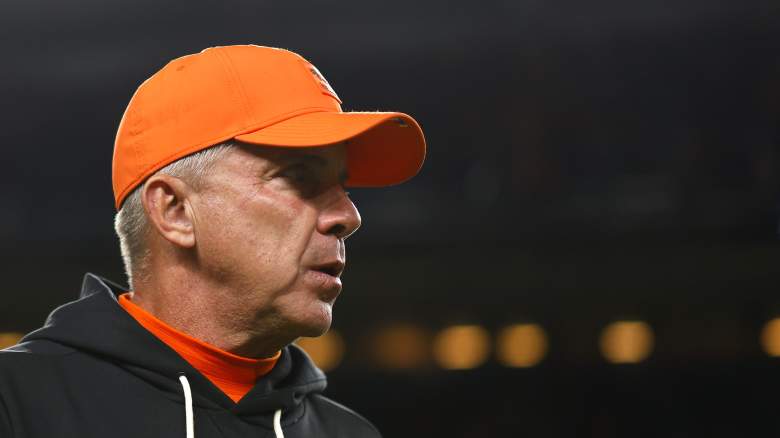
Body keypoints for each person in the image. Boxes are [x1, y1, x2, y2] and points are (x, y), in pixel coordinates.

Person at [0, 45, 425, 438]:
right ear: (175, 211)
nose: (348, 217)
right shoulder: (16, 404)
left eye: (343, 187)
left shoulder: (348, 433)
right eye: (299, 178)